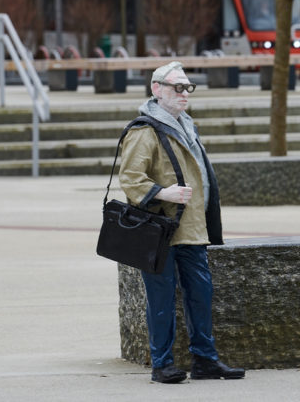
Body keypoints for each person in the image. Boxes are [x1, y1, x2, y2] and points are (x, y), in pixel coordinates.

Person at [118, 61, 245, 384]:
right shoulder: (144, 130)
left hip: (191, 228)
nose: (185, 93)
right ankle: (162, 363)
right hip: (160, 229)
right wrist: (163, 193)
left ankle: (205, 359)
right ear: (157, 89)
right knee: (161, 299)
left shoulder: (186, 125)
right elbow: (131, 179)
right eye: (178, 87)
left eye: (188, 87)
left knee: (200, 294)